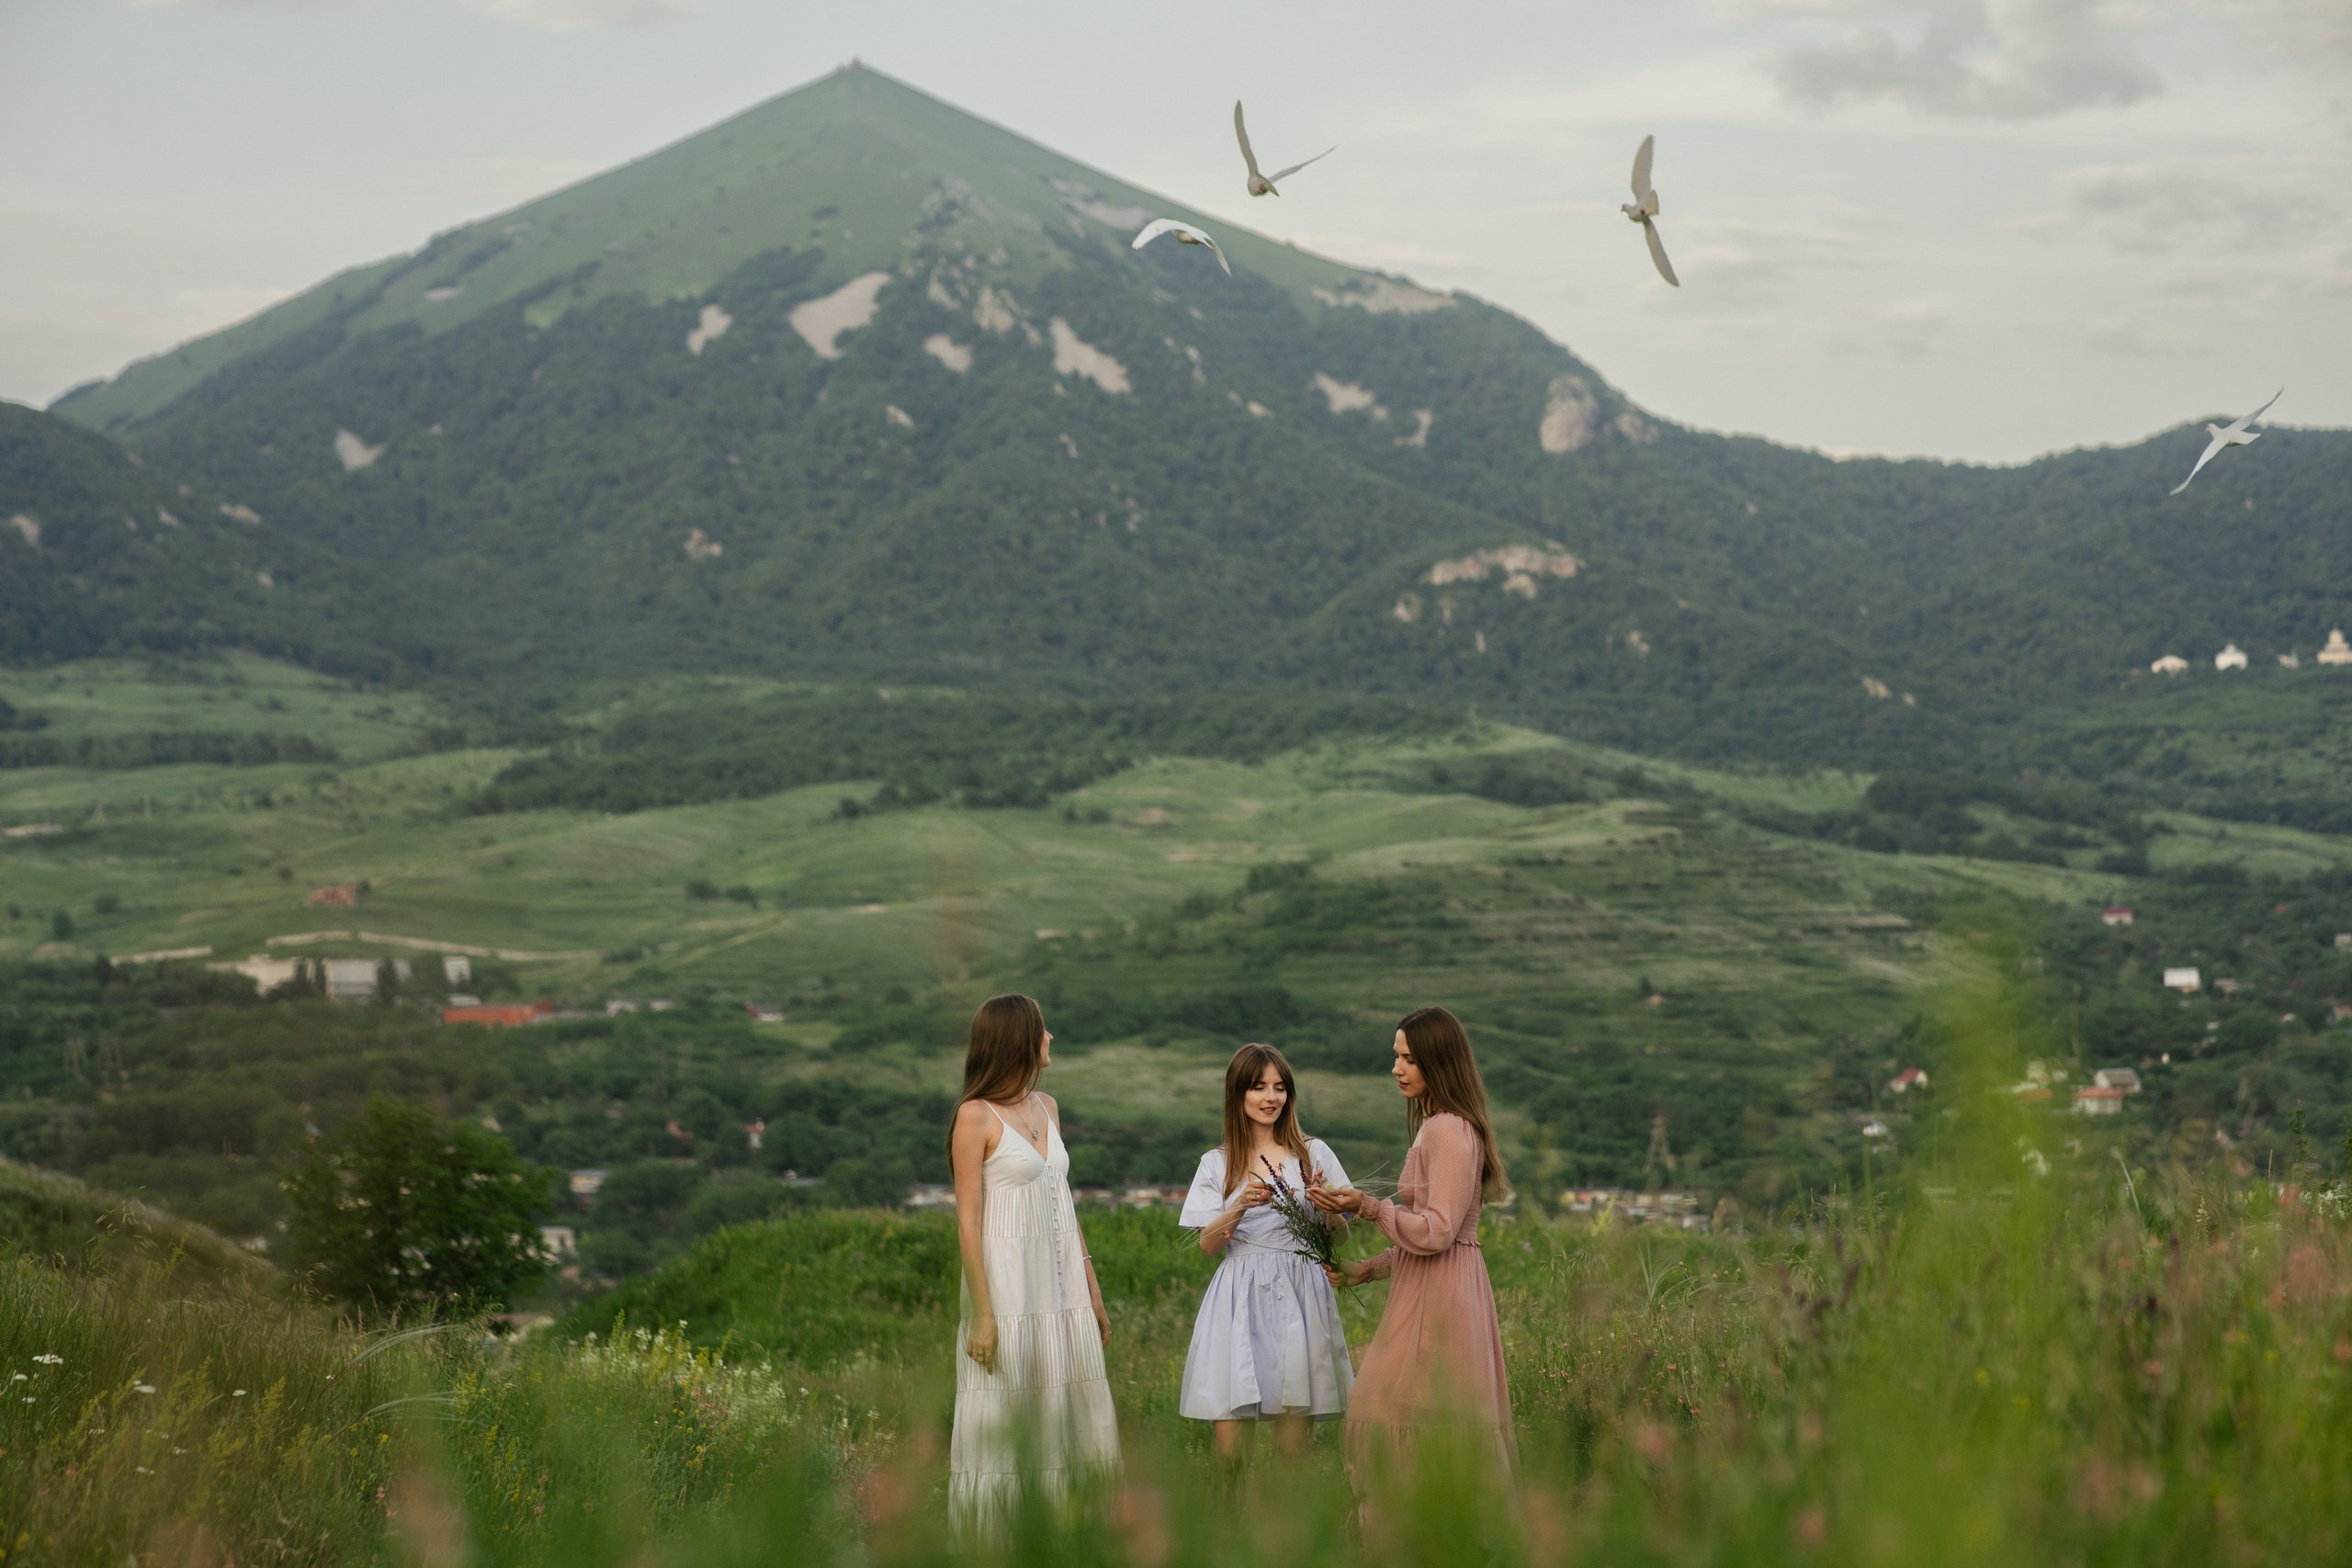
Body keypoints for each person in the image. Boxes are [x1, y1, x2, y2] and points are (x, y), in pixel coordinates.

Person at [1309, 1005, 1515, 1478]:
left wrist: (1367, 1206)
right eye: (1396, 1056)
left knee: (1387, 1411)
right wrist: (1368, 1268)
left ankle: (1410, 1536)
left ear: (1439, 1064)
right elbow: (1429, 1231)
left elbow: (1439, 1230)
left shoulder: (1447, 1129)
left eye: (1409, 1059)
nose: (1396, 1069)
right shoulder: (1446, 1126)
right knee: (1417, 1418)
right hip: (1436, 1284)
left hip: (1441, 1295)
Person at [946, 994, 1118, 1528]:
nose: (1050, 1039)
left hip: (1061, 1288)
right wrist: (983, 1314)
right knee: (1007, 1414)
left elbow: (1064, 1205)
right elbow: (968, 1224)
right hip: (1008, 1292)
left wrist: (1092, 1289)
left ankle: (1071, 1538)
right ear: (1018, 1039)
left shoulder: (1049, 1108)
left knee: (1070, 1411)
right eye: (1043, 1030)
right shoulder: (974, 1117)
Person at [1177, 1043, 1355, 1462]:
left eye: (1279, 1088)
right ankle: (1229, 1519)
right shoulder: (1217, 1163)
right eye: (1258, 1087)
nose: (1270, 1097)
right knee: (1231, 1435)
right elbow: (1208, 1245)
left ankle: (1286, 1522)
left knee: (1294, 1442)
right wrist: (1239, 1205)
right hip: (1238, 1293)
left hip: (1301, 1288)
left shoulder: (1313, 1153)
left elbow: (1340, 1237)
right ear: (1238, 1094)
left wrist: (1327, 1207)